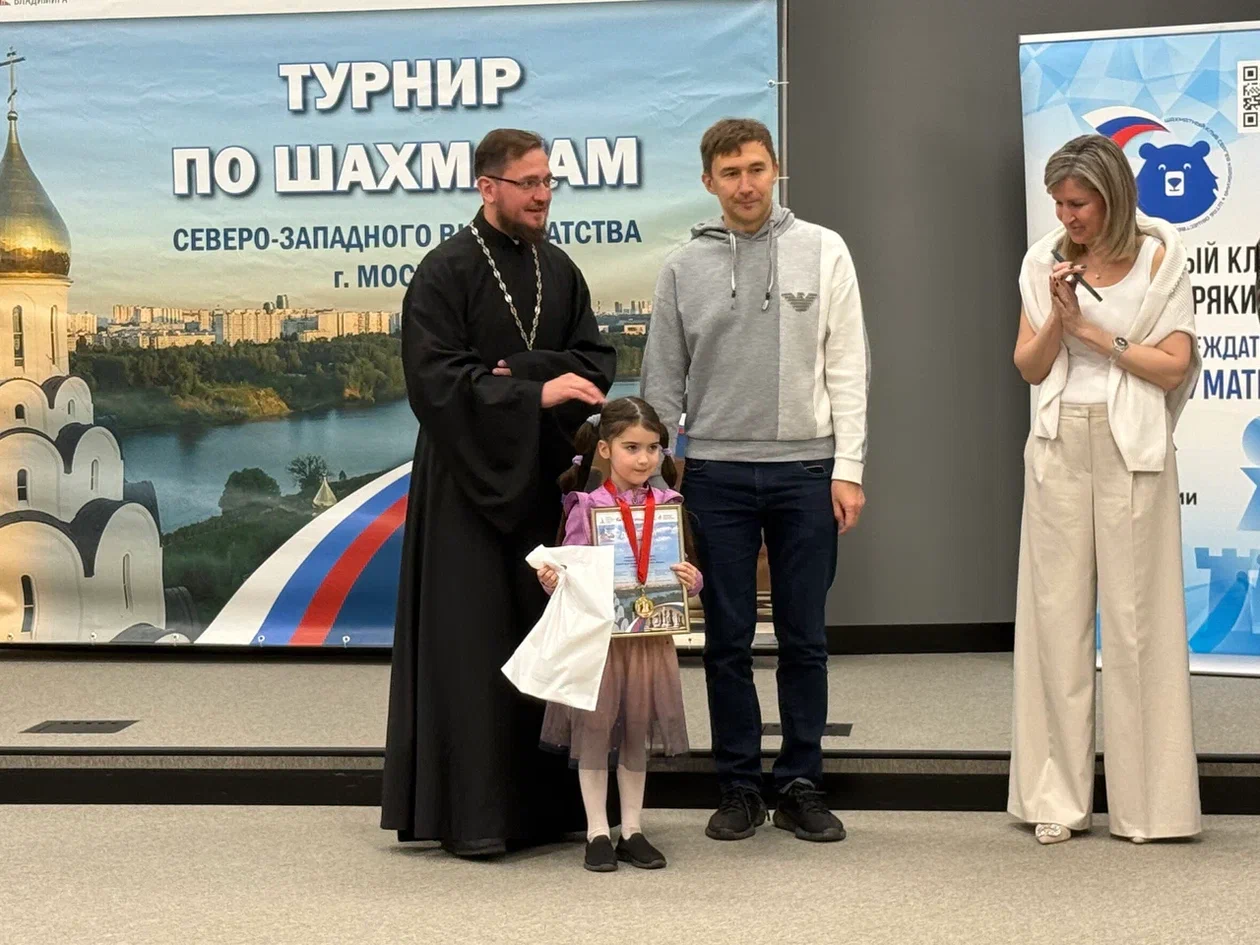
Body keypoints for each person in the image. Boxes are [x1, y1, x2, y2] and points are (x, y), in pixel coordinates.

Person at [381, 128, 618, 857]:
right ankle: (475, 817)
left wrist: (528, 373)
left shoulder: (560, 268)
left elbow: (594, 363)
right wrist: (533, 391)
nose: (543, 195)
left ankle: (550, 809)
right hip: (465, 485)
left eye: (549, 181)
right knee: (473, 647)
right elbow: (434, 381)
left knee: (551, 641)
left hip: (544, 484)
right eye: (529, 183)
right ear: (488, 187)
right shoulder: (444, 271)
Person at [640, 118, 870, 843]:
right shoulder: (682, 268)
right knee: (727, 641)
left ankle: (801, 782)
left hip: (808, 471)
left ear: (776, 170)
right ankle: (738, 784)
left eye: (757, 169)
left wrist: (849, 468)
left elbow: (848, 366)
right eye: (731, 172)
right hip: (715, 475)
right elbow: (661, 380)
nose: (746, 184)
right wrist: (655, 483)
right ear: (709, 182)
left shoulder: (824, 249)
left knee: (804, 639)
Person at [1009, 133, 1202, 845]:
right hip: (1060, 443)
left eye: (1079, 203)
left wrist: (1093, 334)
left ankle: (1150, 806)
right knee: (1055, 621)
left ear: (1113, 196)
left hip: (1134, 448)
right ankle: (1055, 798)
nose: (1067, 216)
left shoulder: (1159, 258)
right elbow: (1029, 367)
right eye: (1059, 203)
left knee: (1138, 623)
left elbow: (1174, 365)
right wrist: (1058, 319)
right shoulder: (1043, 259)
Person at [535, 397, 702, 872]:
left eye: (653, 449)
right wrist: (553, 580)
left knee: (635, 733)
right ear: (605, 449)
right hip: (600, 643)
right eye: (632, 447)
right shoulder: (587, 507)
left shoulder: (669, 506)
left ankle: (632, 829)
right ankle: (596, 831)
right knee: (594, 732)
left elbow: (684, 572)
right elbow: (569, 571)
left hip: (648, 641)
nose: (644, 459)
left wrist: (692, 582)